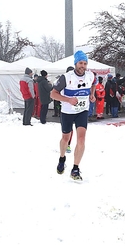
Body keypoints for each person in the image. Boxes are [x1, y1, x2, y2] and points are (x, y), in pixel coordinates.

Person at [51, 50, 96, 181]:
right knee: (66, 138)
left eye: (85, 63)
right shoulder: (66, 77)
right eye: (81, 63)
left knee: (81, 139)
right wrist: (68, 100)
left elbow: (93, 84)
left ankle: (75, 168)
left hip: (82, 111)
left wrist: (92, 94)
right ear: (76, 63)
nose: (83, 66)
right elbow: (53, 94)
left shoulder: (90, 75)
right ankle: (62, 157)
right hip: (68, 112)